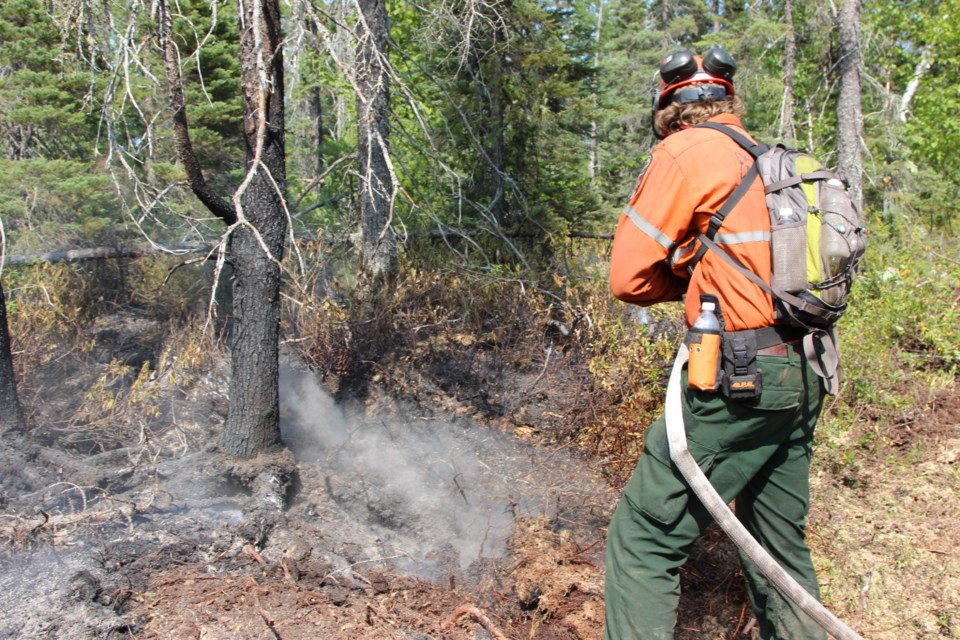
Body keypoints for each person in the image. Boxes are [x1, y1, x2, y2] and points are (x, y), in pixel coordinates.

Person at [603, 47, 828, 640]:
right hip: (805, 369)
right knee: (775, 545)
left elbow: (627, 279)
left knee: (645, 536)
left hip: (740, 375)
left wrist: (684, 277)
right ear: (730, 101)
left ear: (668, 110)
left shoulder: (684, 152)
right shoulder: (774, 159)